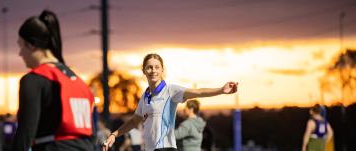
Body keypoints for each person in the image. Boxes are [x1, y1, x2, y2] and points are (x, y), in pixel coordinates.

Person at [103, 53, 238, 151]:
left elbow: (198, 92)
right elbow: (134, 121)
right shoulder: (145, 96)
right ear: (144, 71)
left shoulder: (170, 90)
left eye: (157, 67)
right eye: (149, 67)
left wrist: (221, 90)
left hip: (165, 148)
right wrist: (114, 134)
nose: (153, 70)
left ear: (162, 70)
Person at [12, 10, 95, 151]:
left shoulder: (34, 80)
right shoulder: (79, 83)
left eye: (21, 46)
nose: (20, 54)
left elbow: (25, 136)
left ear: (31, 45)